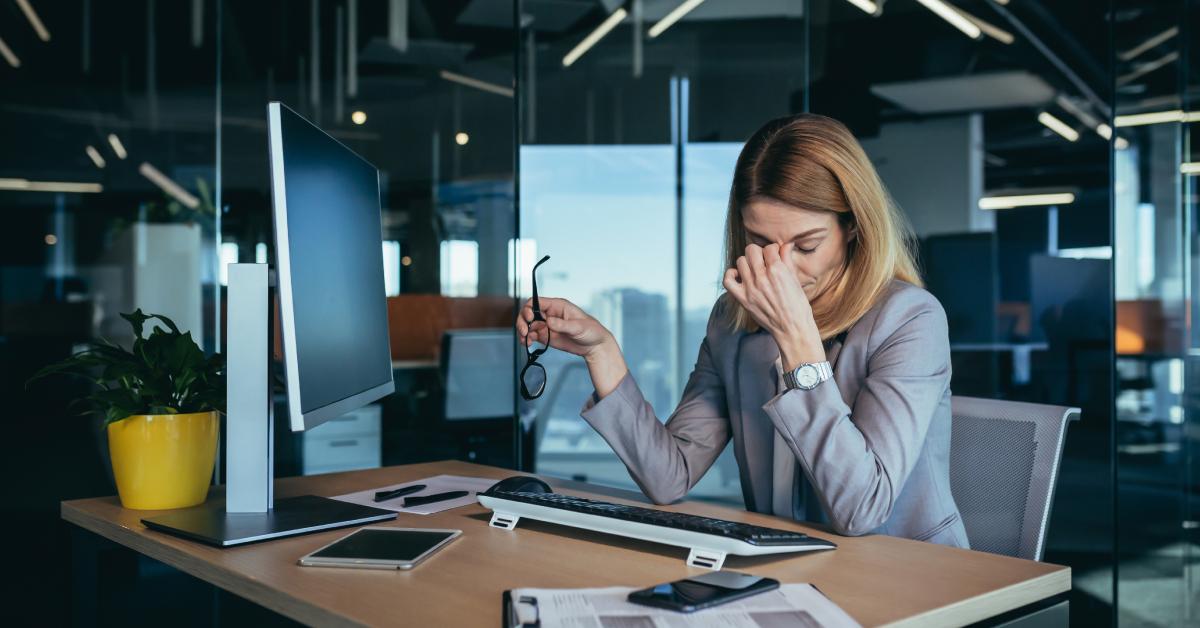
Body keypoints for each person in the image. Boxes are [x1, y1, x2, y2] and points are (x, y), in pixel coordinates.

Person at [516, 114, 968, 547]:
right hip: (787, 564)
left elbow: (863, 508)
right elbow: (668, 477)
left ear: (852, 226)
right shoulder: (732, 322)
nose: (781, 268)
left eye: (806, 246)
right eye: (761, 243)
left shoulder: (910, 320)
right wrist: (603, 353)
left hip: (904, 572)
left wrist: (798, 345)